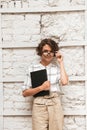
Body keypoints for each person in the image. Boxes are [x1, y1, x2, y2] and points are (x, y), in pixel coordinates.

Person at [22, 38, 68, 130]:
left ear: (54, 53)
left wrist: (61, 62)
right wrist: (41, 88)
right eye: (45, 51)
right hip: (39, 104)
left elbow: (64, 82)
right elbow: (25, 93)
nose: (48, 54)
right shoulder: (32, 68)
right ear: (40, 52)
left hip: (55, 103)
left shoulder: (56, 68)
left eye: (51, 51)